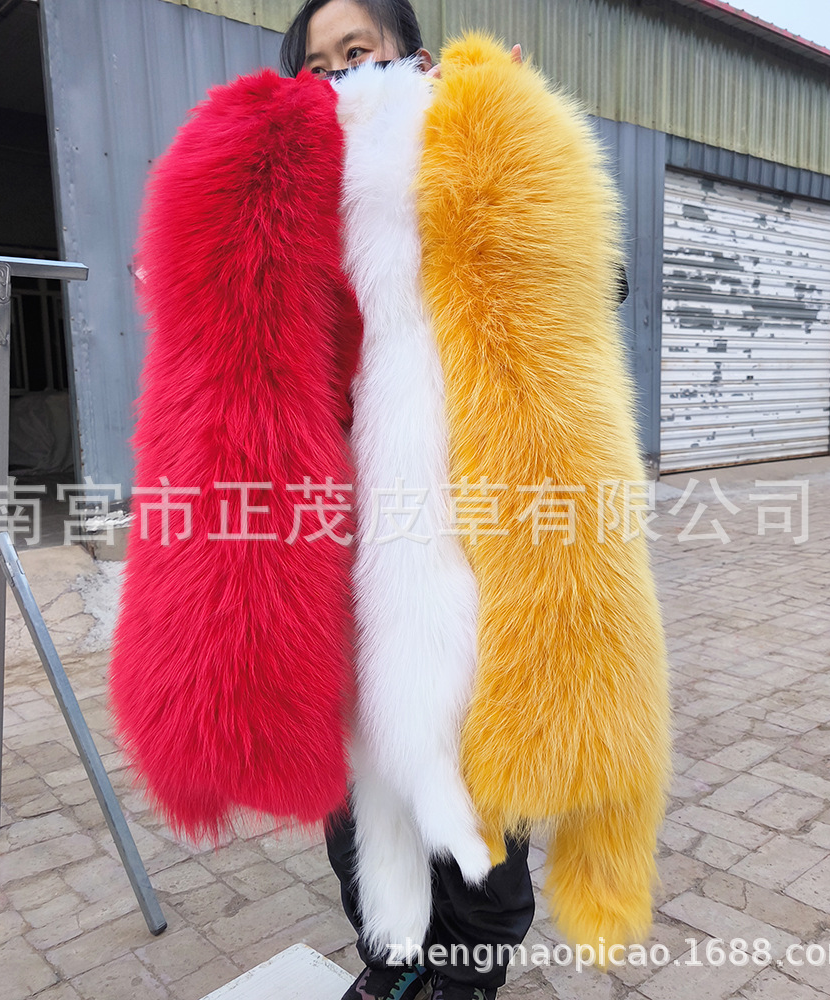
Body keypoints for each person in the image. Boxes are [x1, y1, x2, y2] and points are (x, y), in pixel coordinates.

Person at [280, 5, 535, 1000]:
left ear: (411, 59)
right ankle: (391, 956)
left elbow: (581, 289)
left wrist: (501, 140)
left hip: (463, 527)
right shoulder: (294, 200)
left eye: (358, 53)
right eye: (316, 67)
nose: (340, 77)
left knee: (466, 758)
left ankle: (465, 972)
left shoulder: (466, 155)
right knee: (358, 768)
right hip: (336, 534)